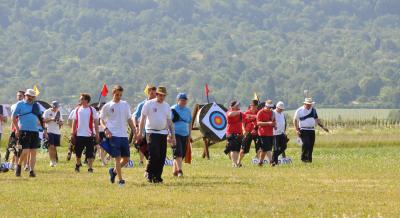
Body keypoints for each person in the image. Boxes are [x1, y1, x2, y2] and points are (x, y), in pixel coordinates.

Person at [137, 86, 175, 183]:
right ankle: (149, 173)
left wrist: (172, 135)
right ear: (156, 94)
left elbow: (169, 122)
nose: (162, 97)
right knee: (154, 154)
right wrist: (140, 133)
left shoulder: (166, 106)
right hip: (151, 132)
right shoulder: (148, 104)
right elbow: (142, 119)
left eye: (164, 96)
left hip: (163, 133)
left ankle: (157, 177)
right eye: (160, 95)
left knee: (162, 156)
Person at [100, 85, 135, 186]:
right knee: (117, 158)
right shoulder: (107, 106)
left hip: (123, 135)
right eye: (117, 94)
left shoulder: (125, 105)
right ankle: (120, 180)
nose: (119, 96)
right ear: (113, 94)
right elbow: (101, 119)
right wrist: (106, 129)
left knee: (126, 159)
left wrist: (134, 129)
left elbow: (129, 119)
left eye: (120, 95)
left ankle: (114, 172)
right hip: (113, 135)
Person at [12, 89, 43, 177]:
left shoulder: (36, 105)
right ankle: (19, 165)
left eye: (32, 96)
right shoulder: (20, 104)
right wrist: (17, 129)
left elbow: (40, 117)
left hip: (35, 131)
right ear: (25, 95)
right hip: (24, 130)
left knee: (33, 152)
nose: (30, 98)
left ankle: (31, 171)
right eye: (29, 96)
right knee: (25, 151)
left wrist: (44, 129)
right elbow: (13, 117)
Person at [293, 98, 329, 163]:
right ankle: (303, 159)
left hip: (312, 130)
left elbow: (317, 120)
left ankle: (309, 160)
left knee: (311, 145)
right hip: (303, 129)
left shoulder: (313, 110)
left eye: (310, 104)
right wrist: (296, 130)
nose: (309, 105)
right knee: (306, 144)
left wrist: (323, 127)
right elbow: (295, 120)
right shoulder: (299, 110)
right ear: (305, 104)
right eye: (308, 104)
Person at [71, 93, 100, 173]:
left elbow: (96, 121)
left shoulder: (92, 110)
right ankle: (78, 164)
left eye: (82, 99)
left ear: (86, 100)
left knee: (90, 153)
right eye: (80, 99)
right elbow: (74, 121)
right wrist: (72, 133)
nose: (80, 100)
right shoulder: (77, 109)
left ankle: (90, 168)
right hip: (79, 134)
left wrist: (97, 133)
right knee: (78, 152)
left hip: (89, 135)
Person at [132, 85, 157, 165]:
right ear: (148, 93)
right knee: (144, 146)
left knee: (152, 148)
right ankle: (141, 161)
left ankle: (149, 162)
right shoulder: (142, 104)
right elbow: (135, 116)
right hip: (143, 129)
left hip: (154, 130)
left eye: (154, 92)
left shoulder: (158, 104)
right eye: (150, 92)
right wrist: (136, 127)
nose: (152, 94)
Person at [171, 93, 192, 177]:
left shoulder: (188, 110)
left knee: (182, 153)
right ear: (178, 100)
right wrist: (169, 134)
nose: (183, 102)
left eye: (185, 100)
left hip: (185, 134)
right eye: (182, 100)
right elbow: (169, 122)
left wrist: (189, 134)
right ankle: (180, 171)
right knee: (178, 152)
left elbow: (190, 122)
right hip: (175, 134)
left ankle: (175, 170)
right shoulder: (172, 109)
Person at [6, 91, 25, 168]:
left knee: (19, 147)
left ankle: (16, 164)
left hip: (23, 129)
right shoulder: (13, 105)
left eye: (20, 95)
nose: (19, 97)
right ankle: (12, 163)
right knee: (13, 147)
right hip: (15, 129)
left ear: (24, 96)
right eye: (17, 95)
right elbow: (12, 118)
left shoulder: (26, 106)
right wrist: (12, 128)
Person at [238, 100, 259, 167]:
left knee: (260, 148)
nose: (253, 107)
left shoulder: (258, 113)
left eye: (255, 106)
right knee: (243, 149)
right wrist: (244, 130)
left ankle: (257, 160)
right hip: (248, 132)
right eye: (252, 106)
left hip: (256, 133)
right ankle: (238, 162)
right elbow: (243, 123)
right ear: (250, 105)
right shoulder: (246, 113)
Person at [43, 101, 63, 167]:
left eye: (56, 107)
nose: (55, 108)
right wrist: (52, 119)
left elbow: (61, 123)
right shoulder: (47, 111)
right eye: (54, 107)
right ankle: (51, 161)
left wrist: (59, 122)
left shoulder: (59, 112)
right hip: (49, 131)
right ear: (52, 106)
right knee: (50, 146)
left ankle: (54, 160)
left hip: (57, 132)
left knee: (54, 147)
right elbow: (44, 120)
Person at [256, 100, 276, 167]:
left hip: (270, 133)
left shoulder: (272, 113)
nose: (270, 109)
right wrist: (268, 123)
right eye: (269, 107)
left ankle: (260, 162)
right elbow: (258, 123)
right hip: (263, 133)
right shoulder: (260, 112)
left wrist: (274, 125)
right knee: (268, 148)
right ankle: (271, 162)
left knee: (265, 150)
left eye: (271, 107)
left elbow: (273, 121)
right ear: (265, 106)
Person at [225, 101, 243, 168]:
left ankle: (235, 162)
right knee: (233, 149)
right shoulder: (229, 112)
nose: (238, 106)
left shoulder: (239, 113)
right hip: (231, 133)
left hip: (239, 133)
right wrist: (239, 112)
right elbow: (230, 115)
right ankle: (234, 163)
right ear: (232, 106)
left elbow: (246, 116)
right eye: (237, 105)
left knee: (237, 149)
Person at [272, 101, 287, 165]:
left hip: (281, 133)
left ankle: (273, 158)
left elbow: (284, 122)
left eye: (282, 109)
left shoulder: (282, 113)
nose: (281, 110)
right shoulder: (273, 113)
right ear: (277, 107)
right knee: (275, 149)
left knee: (284, 147)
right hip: (274, 134)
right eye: (280, 109)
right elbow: (271, 121)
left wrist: (284, 131)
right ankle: (275, 162)